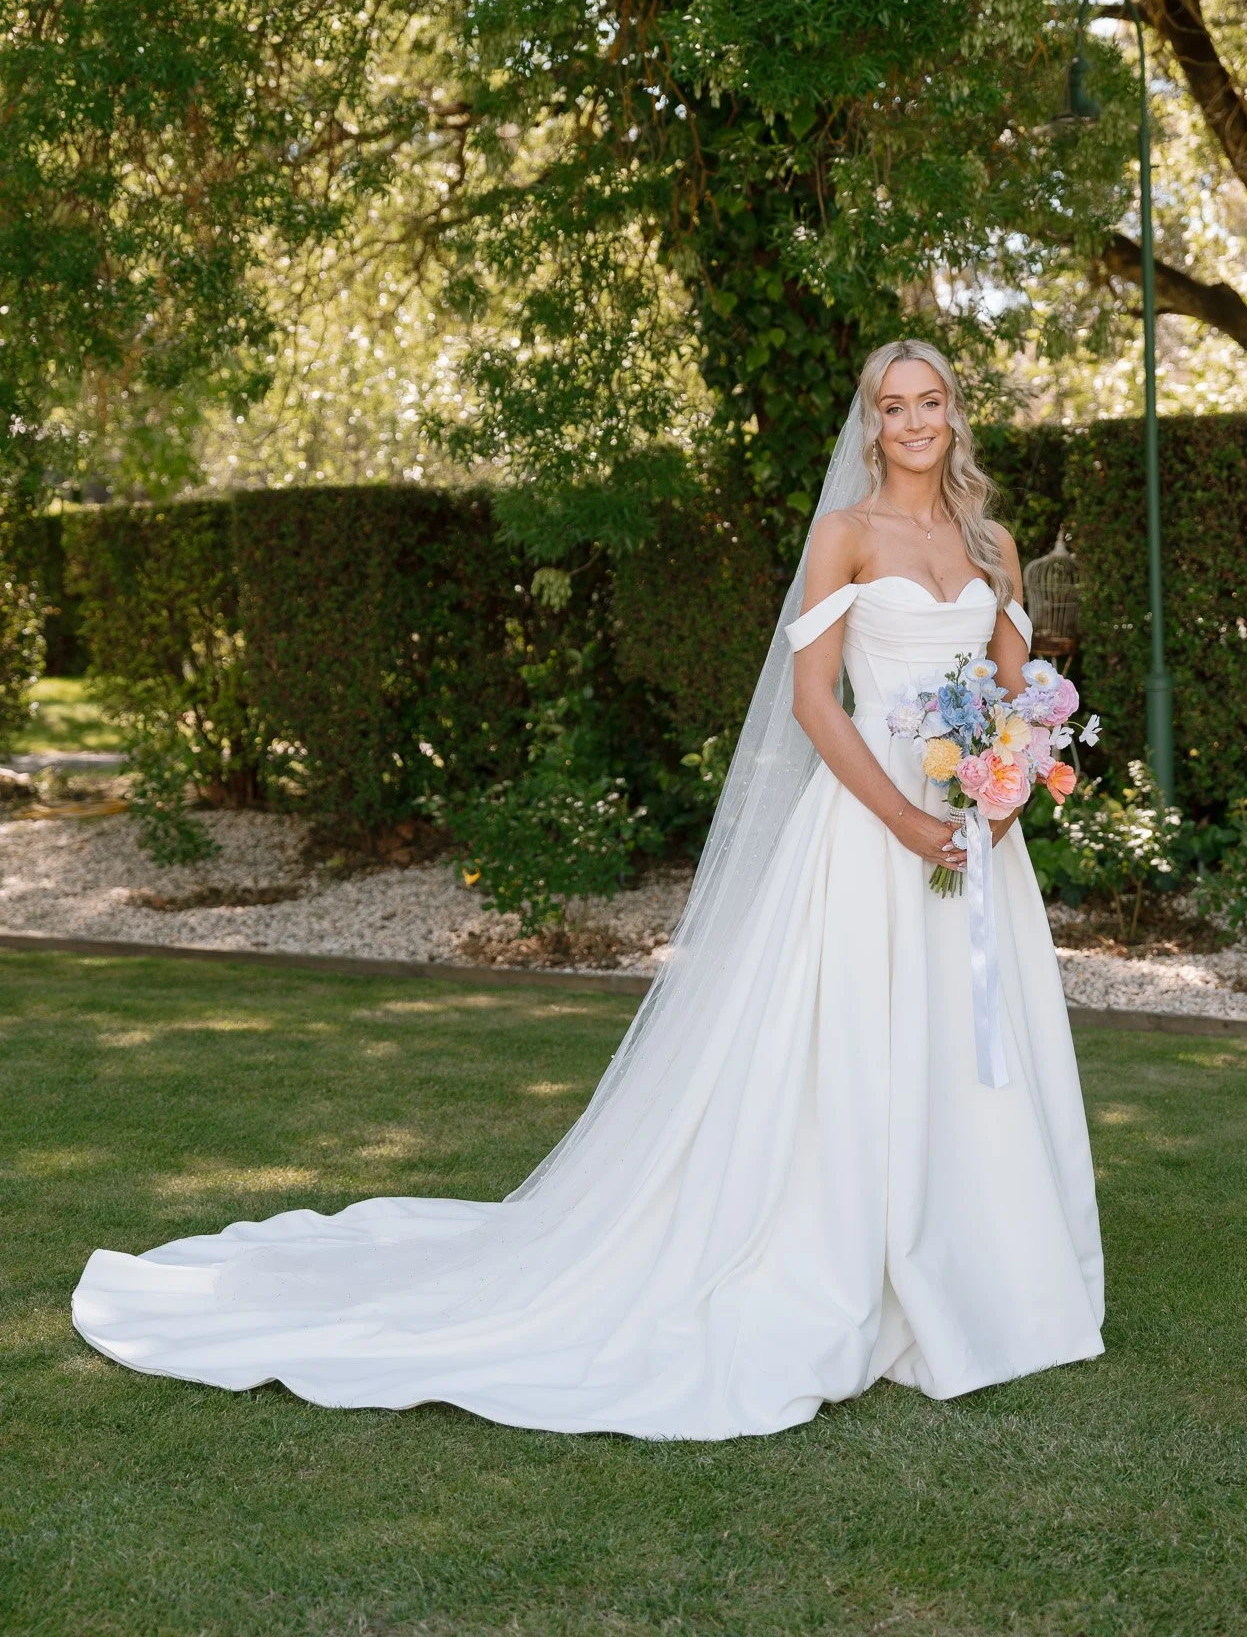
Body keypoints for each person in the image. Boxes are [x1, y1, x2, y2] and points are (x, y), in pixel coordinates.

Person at [72, 339, 1103, 1440]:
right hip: (868, 832)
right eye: (893, 405)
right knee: (859, 1049)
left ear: (954, 411)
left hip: (976, 839)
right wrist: (904, 818)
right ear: (869, 423)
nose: (914, 421)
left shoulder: (991, 541)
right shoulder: (843, 536)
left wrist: (1001, 802)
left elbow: (1020, 695)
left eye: (930, 400)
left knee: (973, 1046)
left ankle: (990, 1277)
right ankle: (857, 1266)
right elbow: (814, 700)